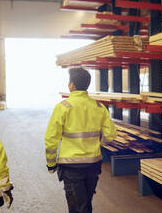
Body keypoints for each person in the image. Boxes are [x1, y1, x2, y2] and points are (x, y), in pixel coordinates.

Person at [45, 67, 117, 213]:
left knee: (77, 208)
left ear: (72, 85)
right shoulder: (99, 106)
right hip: (93, 165)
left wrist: (51, 164)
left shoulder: (63, 107)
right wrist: (98, 145)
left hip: (71, 167)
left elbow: (51, 139)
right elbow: (110, 134)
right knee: (86, 204)